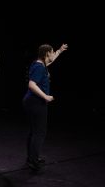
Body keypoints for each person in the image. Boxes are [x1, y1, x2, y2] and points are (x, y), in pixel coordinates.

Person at [23, 43, 68, 171]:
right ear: (47, 53)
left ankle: (31, 158)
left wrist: (60, 50)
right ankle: (33, 161)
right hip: (36, 102)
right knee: (39, 133)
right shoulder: (40, 67)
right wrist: (45, 96)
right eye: (52, 52)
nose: (53, 54)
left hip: (31, 102)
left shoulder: (39, 64)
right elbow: (31, 85)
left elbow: (51, 61)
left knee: (34, 132)